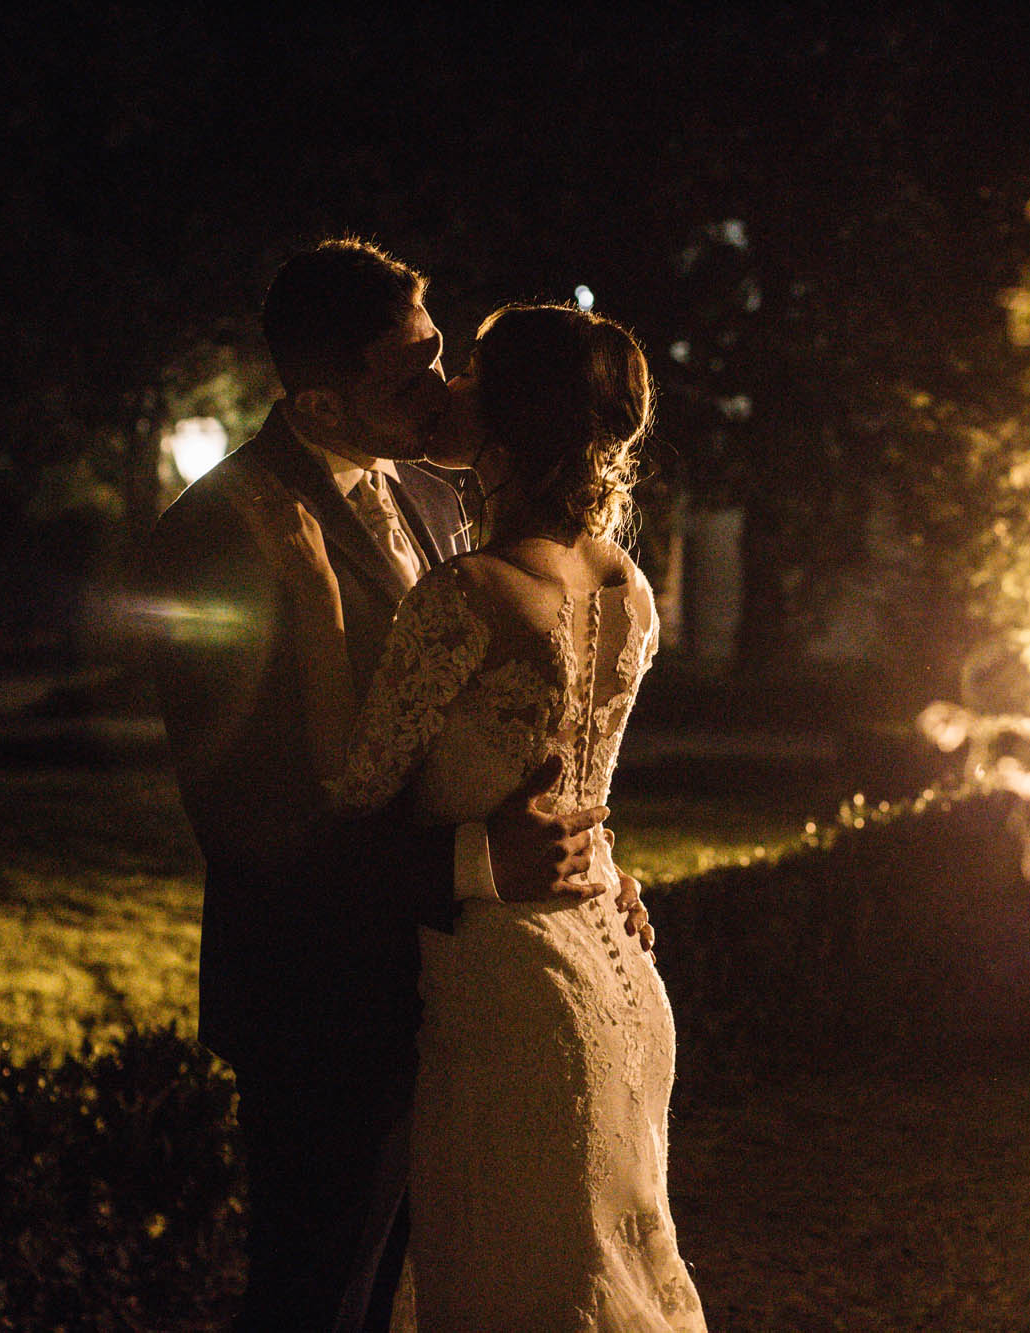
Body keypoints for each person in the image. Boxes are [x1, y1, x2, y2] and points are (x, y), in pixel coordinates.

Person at [143, 240, 627, 1331]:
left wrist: (586, 860)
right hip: (318, 993)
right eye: (407, 372)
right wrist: (470, 862)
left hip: (456, 981)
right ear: (319, 396)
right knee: (317, 1295)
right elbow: (248, 823)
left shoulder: (433, 495)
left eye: (440, 351)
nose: (446, 388)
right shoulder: (215, 538)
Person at [218, 302, 702, 1331]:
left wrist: (309, 598)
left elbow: (352, 783)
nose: (447, 387)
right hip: (617, 975)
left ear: (510, 416)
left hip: (511, 992)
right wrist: (605, 859)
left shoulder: (468, 589)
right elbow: (577, 774)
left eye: (471, 372)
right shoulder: (629, 586)